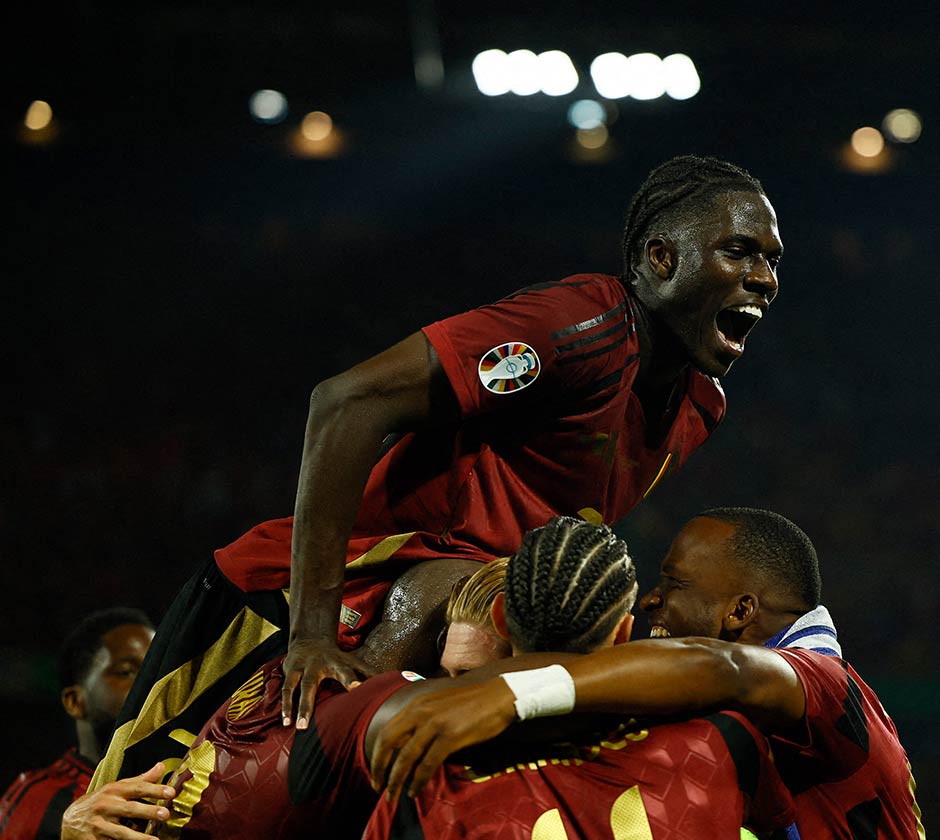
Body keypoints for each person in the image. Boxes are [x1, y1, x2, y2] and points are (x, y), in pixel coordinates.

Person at [93, 154, 784, 789]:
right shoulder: (580, 327)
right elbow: (346, 400)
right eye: (740, 251)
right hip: (287, 608)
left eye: (773, 261)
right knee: (135, 809)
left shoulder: (700, 406)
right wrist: (312, 629)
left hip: (449, 627)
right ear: (660, 258)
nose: (765, 278)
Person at [373, 508, 926, 839]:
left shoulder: (824, 681)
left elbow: (723, 666)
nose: (654, 599)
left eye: (675, 583)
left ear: (740, 611)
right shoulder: (715, 729)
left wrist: (514, 693)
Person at [133, 560, 513, 840]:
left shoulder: (280, 673)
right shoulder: (389, 707)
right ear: (435, 647)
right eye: (455, 677)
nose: (453, 692)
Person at [0, 608, 156, 840]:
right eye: (127, 672)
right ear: (75, 702)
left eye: (158, 671)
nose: (151, 684)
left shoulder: (189, 779)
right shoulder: (42, 798)